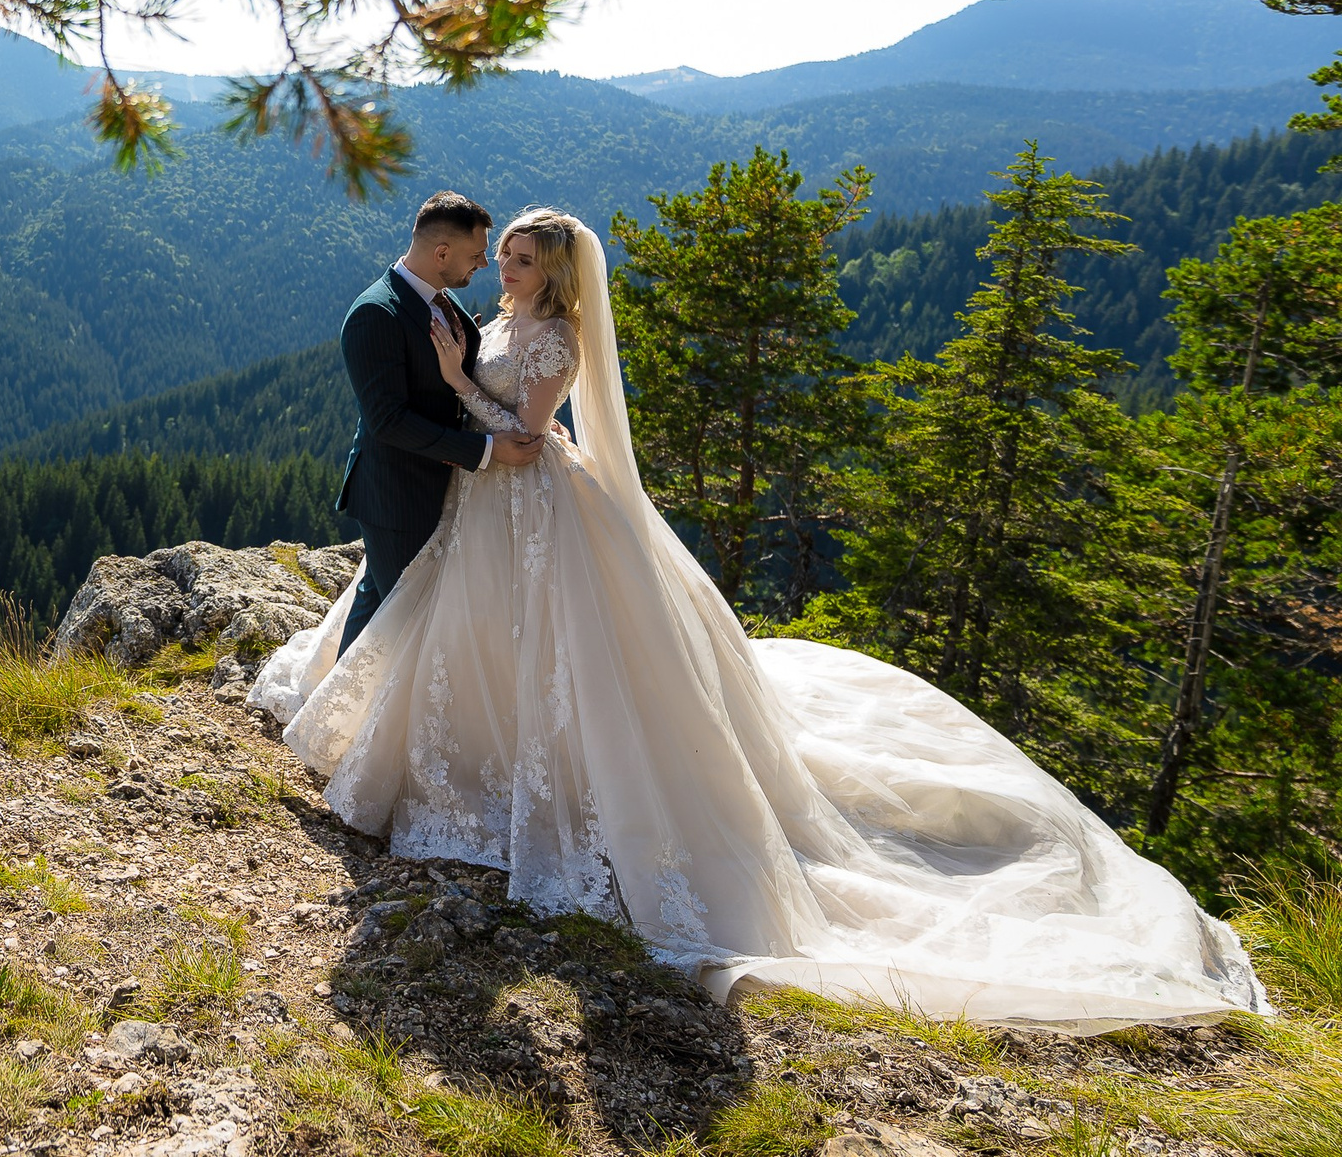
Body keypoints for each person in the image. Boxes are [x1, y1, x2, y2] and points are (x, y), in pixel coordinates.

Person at [255, 207, 1266, 1031]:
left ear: (555, 276)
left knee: (563, 655)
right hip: (485, 516)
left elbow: (527, 435)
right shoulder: (494, 324)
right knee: (483, 646)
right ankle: (473, 749)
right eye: (499, 256)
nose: (501, 272)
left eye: (517, 260)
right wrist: (455, 375)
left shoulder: (553, 336)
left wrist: (446, 386)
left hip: (535, 504)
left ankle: (545, 774)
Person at [332, 192, 545, 655]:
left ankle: (333, 706)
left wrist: (522, 415)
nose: (487, 264)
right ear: (441, 253)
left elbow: (458, 384)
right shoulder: (376, 314)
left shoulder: (440, 301)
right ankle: (362, 720)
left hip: (440, 486)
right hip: (398, 492)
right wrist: (487, 451)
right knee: (403, 617)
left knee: (378, 601)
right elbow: (388, 422)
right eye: (476, 254)